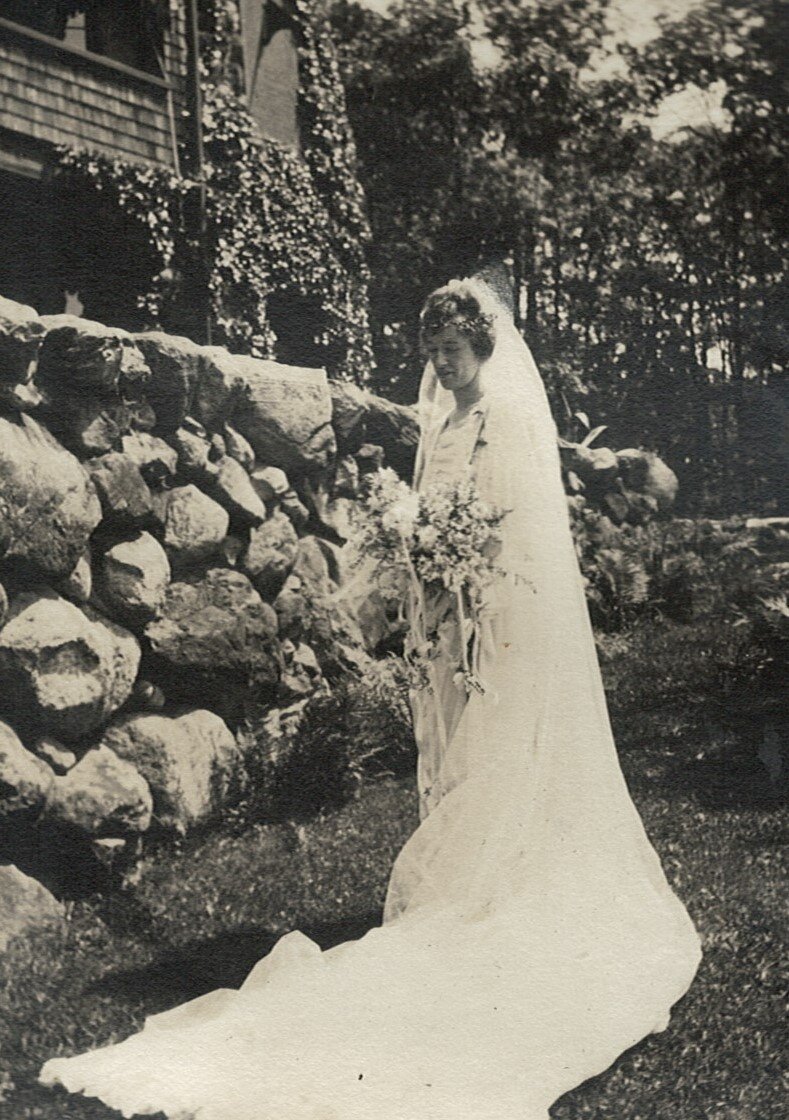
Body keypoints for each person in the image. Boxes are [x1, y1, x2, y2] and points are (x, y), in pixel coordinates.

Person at [40, 278, 702, 1120]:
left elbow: (512, 524)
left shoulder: (505, 421)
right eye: (430, 357)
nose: (440, 370)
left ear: (483, 350)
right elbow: (440, 509)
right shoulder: (446, 420)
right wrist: (418, 545)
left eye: (451, 356)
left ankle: (523, 881)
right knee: (463, 746)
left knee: (511, 738)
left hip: (504, 609)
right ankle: (479, 880)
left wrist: (452, 555)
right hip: (452, 604)